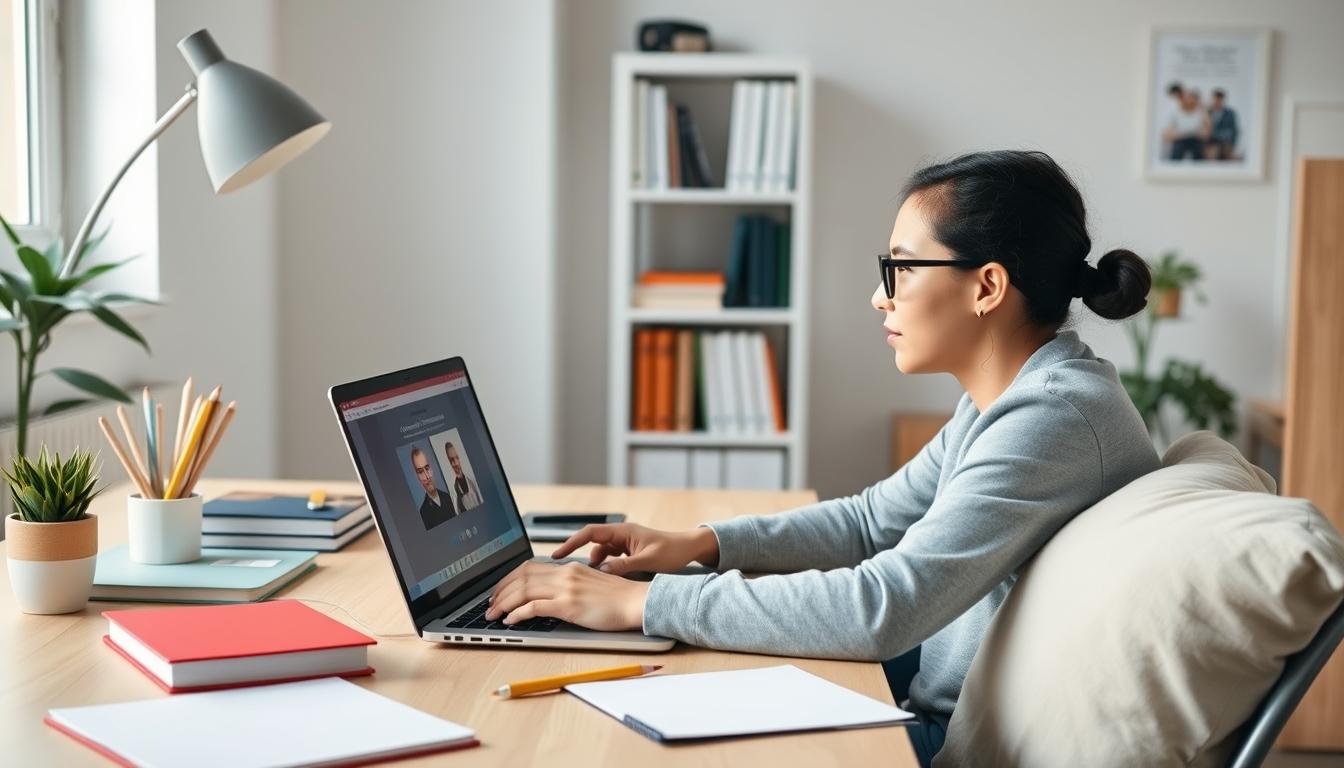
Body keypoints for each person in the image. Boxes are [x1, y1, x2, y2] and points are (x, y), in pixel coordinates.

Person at [483, 150, 1162, 767]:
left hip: (945, 738)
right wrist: (699, 544)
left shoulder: (1053, 418)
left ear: (986, 287)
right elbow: (871, 524)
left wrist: (645, 604)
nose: (880, 295)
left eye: (901, 267)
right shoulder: (1011, 398)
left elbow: (884, 607)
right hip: (921, 692)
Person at [410, 446, 458, 529]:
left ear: (431, 469)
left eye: (427, 468)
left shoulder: (449, 497)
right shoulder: (423, 513)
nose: (427, 476)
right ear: (417, 476)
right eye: (420, 472)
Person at [1162, 84, 1210, 161]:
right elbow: (1166, 135)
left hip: (1196, 141)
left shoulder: (1201, 112)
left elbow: (1206, 133)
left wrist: (1203, 111)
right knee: (1177, 148)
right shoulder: (1174, 112)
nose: (1188, 100)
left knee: (1199, 150)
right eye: (1186, 97)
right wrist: (1186, 133)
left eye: (1191, 98)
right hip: (1180, 140)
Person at [443, 441, 483, 511]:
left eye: (457, 458)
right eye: (452, 460)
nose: (456, 463)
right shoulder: (453, 493)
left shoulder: (473, 482)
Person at [1205, 88, 1239, 161]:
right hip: (1211, 142)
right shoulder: (1207, 112)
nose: (1216, 102)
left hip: (1225, 141)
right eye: (1215, 99)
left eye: (1219, 100)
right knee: (1211, 153)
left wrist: (1232, 145)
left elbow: (1233, 131)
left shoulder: (1230, 113)